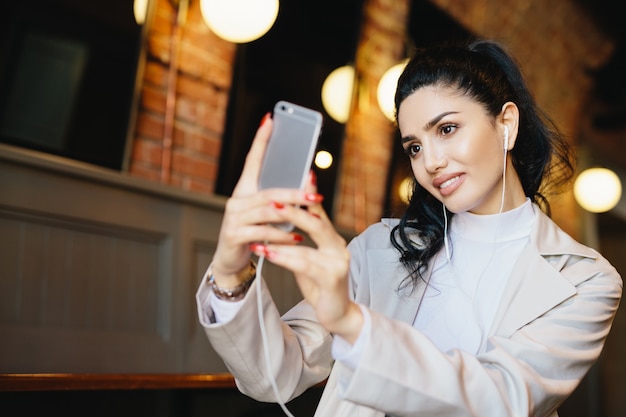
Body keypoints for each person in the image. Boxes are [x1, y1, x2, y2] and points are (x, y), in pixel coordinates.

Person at [195, 38, 622, 417]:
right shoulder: (379, 248)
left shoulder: (585, 279)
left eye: (448, 129)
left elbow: (503, 399)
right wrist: (231, 273)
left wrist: (350, 322)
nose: (430, 162)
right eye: (414, 147)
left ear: (506, 123)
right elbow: (275, 378)